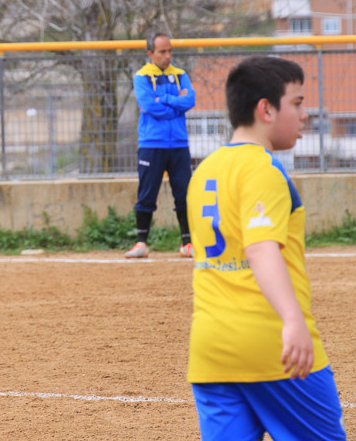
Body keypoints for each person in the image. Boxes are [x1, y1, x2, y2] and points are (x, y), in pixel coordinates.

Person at [186, 56, 346, 440]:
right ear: (266, 109)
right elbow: (260, 249)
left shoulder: (203, 171)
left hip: (211, 350)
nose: (305, 114)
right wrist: (293, 320)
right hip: (271, 345)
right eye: (297, 103)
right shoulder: (263, 168)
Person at [125, 32, 196, 259]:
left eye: (170, 51)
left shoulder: (180, 75)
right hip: (151, 143)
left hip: (179, 144)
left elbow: (190, 100)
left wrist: (164, 99)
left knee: (184, 193)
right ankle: (141, 242)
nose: (168, 56)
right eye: (162, 52)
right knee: (147, 193)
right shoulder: (141, 77)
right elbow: (148, 106)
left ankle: (187, 242)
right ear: (150, 53)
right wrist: (176, 105)